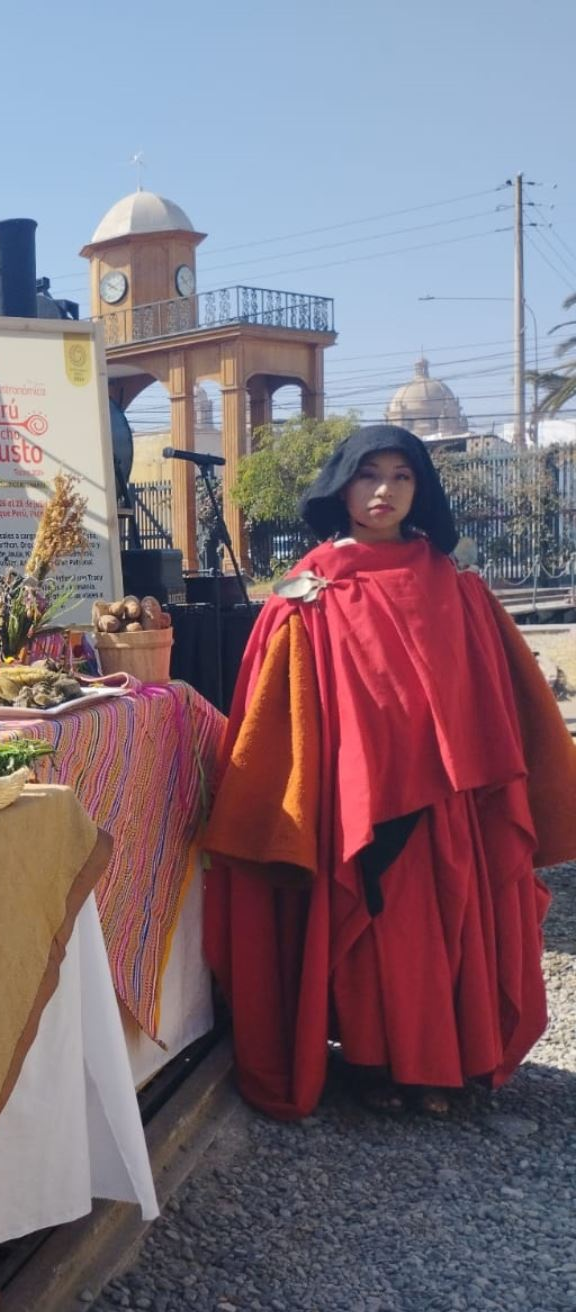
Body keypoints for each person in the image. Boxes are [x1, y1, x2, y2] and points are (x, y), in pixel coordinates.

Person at [201, 424, 576, 1119]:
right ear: (342, 487)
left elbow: (491, 692)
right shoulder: (307, 589)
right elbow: (278, 705)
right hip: (355, 799)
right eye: (368, 474)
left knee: (444, 925)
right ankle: (374, 1063)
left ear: (420, 489)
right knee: (372, 932)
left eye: (402, 477)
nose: (384, 491)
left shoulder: (455, 585)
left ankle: (444, 1066)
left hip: (445, 800)